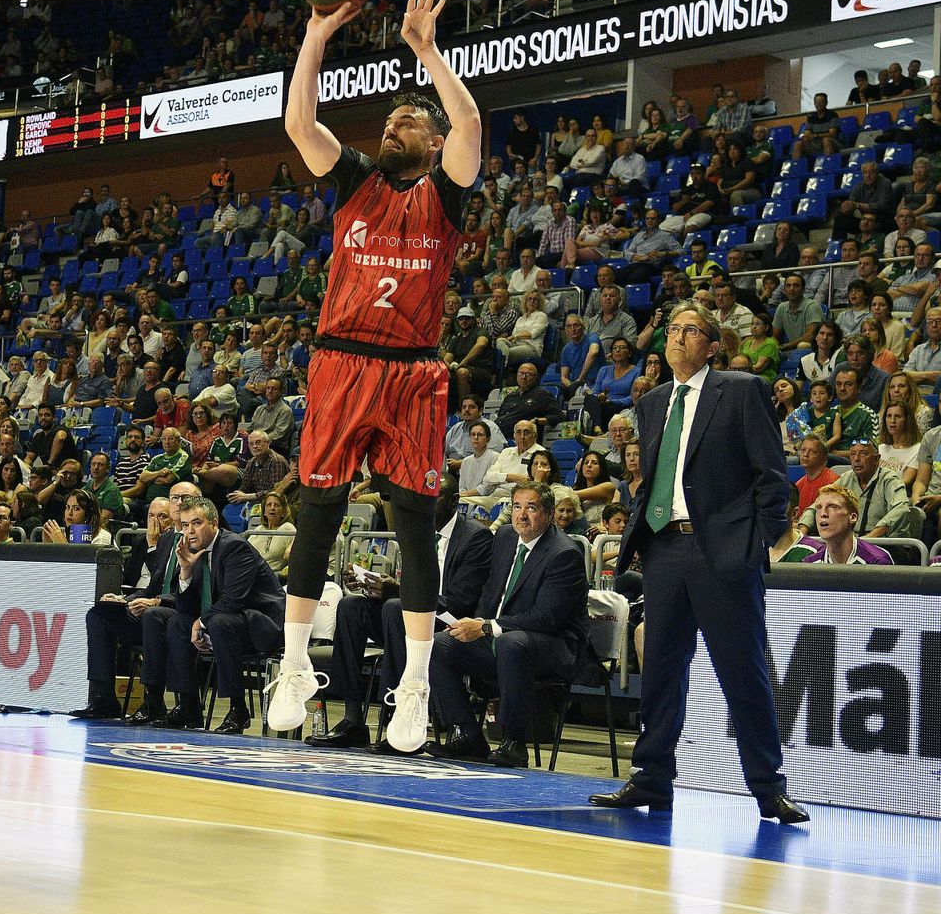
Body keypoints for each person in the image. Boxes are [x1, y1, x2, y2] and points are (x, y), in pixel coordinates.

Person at [269, 0, 480, 748]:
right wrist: (318, 35)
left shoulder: (447, 198)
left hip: (413, 372)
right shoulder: (354, 179)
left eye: (413, 120)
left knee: (416, 528)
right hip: (341, 362)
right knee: (318, 516)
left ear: (430, 144)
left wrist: (427, 51)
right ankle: (293, 667)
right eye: (392, 118)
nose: (399, 122)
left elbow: (472, 122)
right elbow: (298, 121)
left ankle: (415, 687)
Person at [590, 301, 809, 823]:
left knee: (744, 673)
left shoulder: (740, 390)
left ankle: (767, 787)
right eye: (672, 329)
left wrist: (755, 544)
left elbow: (772, 479)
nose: (678, 337)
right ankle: (651, 780)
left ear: (713, 345)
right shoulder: (653, 401)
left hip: (723, 553)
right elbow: (656, 477)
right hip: (665, 550)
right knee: (662, 671)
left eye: (691, 330)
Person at [308, 482, 492, 750]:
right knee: (351, 608)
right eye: (423, 495)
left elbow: (461, 601)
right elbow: (412, 586)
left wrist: (397, 591)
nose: (427, 502)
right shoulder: (419, 530)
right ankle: (352, 719)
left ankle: (398, 719)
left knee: (396, 607)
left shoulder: (476, 537)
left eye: (435, 496)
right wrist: (373, 583)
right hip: (410, 616)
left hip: (449, 621)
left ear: (453, 501)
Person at [424, 481, 588, 766]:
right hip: (505, 636)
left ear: (549, 514)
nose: (522, 515)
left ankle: (514, 742)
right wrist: (474, 622)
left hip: (554, 646)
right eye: (516, 507)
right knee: (440, 645)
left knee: (513, 643)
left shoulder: (564, 553)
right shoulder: (504, 537)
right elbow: (491, 591)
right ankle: (467, 733)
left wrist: (487, 627)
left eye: (531, 508)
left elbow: (547, 618)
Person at [162, 495, 287, 734]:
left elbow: (233, 600)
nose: (190, 532)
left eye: (197, 523)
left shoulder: (235, 547)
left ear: (214, 523)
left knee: (219, 622)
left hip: (260, 623)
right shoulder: (191, 550)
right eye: (186, 525)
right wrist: (186, 571)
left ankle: (238, 710)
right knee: (178, 622)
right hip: (228, 620)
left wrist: (200, 622)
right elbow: (185, 608)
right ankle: (188, 705)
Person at [69, 488, 192, 721]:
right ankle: (102, 698)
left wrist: (155, 601)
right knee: (99, 614)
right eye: (151, 517)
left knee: (152, 615)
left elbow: (187, 591)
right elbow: (150, 586)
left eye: (162, 516)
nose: (156, 522)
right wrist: (123, 600)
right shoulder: (166, 541)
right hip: (152, 610)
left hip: (178, 614)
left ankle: (153, 702)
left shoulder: (196, 539)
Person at [802, 485, 895, 565]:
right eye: (818, 508)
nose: (823, 513)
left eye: (833, 507)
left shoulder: (877, 561)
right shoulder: (810, 563)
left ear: (853, 517)